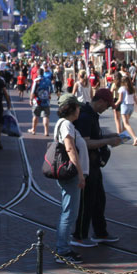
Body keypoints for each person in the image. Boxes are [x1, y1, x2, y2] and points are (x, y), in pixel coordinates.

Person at [70, 89, 123, 248]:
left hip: (94, 164)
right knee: (87, 201)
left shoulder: (92, 115)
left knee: (98, 199)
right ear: (100, 101)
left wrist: (110, 137)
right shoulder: (85, 117)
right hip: (86, 165)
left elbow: (94, 137)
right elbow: (85, 143)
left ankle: (100, 232)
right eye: (107, 105)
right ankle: (79, 235)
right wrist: (107, 142)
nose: (107, 108)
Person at [53, 94, 87, 265]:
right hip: (72, 175)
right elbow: (70, 149)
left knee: (68, 211)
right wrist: (80, 174)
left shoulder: (65, 124)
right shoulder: (66, 125)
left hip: (71, 175)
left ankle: (63, 248)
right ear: (71, 108)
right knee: (69, 212)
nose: (80, 110)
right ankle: (63, 251)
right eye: (78, 107)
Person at [116, 75, 137, 146]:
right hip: (131, 107)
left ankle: (134, 137)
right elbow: (135, 98)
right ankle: (123, 138)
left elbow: (120, 99)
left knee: (126, 124)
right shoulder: (131, 88)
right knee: (124, 123)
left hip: (125, 106)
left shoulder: (122, 88)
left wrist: (114, 105)